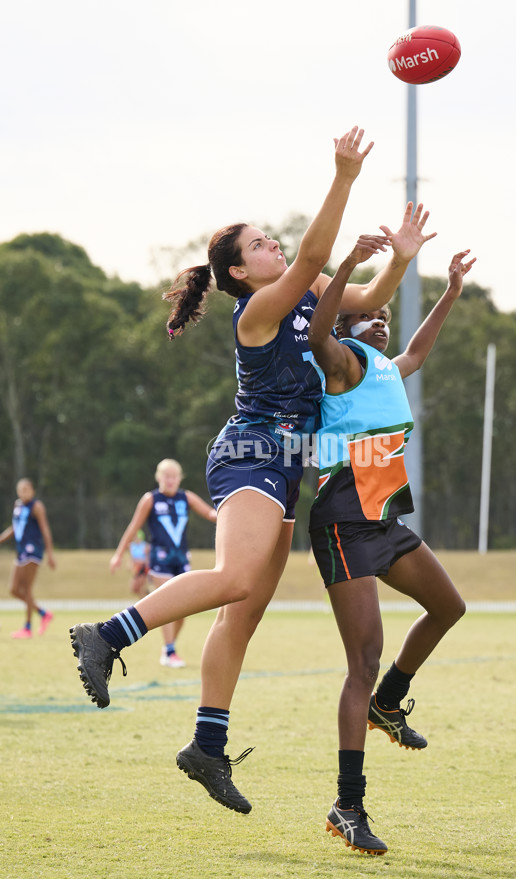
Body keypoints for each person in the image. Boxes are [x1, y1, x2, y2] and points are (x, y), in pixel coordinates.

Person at [70, 126, 433, 817]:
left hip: (287, 463)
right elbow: (319, 255)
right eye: (261, 244)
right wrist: (344, 175)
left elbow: (364, 296)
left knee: (245, 610)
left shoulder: (307, 290)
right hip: (250, 452)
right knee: (235, 582)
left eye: (273, 239)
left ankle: (207, 746)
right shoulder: (260, 307)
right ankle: (109, 634)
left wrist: (404, 261)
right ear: (240, 272)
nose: (274, 245)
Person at [307, 234, 476, 854]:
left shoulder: (382, 367)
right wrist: (346, 268)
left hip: (381, 519)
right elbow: (319, 332)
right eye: (367, 315)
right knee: (363, 658)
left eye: (382, 316)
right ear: (348, 328)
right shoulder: (342, 362)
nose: (378, 321)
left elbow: (418, 353)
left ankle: (389, 704)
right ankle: (347, 806)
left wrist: (451, 292)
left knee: (449, 607)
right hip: (343, 521)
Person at [109, 459, 217, 668]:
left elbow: (210, 513)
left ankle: (169, 646)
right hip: (160, 560)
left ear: (179, 478)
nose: (170, 480)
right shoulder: (150, 499)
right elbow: (134, 527)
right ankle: (170, 651)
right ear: (159, 477)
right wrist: (118, 554)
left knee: (182, 611)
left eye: (174, 476)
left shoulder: (186, 497)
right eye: (166, 476)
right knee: (167, 605)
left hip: (182, 558)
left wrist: (232, 510)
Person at [0, 478, 56, 638]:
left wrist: (50, 554)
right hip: (20, 551)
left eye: (26, 489)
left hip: (33, 551)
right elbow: (14, 529)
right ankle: (43, 613)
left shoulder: (37, 506)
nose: (23, 492)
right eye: (21, 489)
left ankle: (27, 627)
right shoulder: (17, 506)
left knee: (26, 588)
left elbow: (45, 530)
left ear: (33, 491)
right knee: (14, 589)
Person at [128, 529, 150, 600]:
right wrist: (130, 564)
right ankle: (148, 597)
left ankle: (143, 603)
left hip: (143, 568)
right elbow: (132, 558)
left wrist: (147, 569)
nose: (135, 538)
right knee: (134, 589)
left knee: (140, 587)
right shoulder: (132, 546)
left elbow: (147, 558)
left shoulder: (145, 546)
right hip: (136, 569)